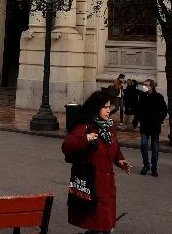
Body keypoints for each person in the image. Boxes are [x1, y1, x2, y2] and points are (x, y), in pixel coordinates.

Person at [61, 89, 132, 234]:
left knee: (105, 226)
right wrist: (86, 138)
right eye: (105, 107)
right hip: (92, 184)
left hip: (108, 185)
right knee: (98, 226)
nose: (108, 110)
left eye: (109, 107)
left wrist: (120, 160)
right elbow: (67, 146)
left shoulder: (108, 126)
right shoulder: (85, 126)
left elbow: (114, 147)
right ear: (95, 107)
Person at [134, 78, 168, 177]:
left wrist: (159, 120)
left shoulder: (158, 97)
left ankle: (154, 167)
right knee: (143, 145)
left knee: (155, 148)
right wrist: (136, 120)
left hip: (154, 126)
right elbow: (138, 109)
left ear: (151, 86)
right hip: (144, 126)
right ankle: (146, 165)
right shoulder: (142, 96)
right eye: (143, 84)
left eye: (146, 85)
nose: (144, 86)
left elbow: (164, 110)